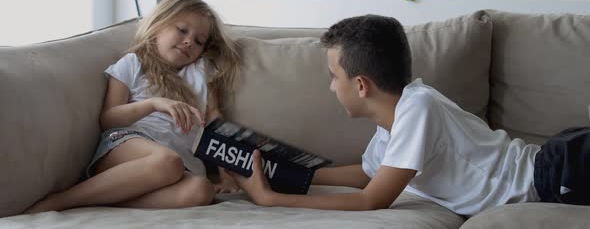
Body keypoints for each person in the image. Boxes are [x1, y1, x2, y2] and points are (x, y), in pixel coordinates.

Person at [229, 14, 590, 216]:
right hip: (559, 167)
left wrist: (272, 199)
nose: (330, 88)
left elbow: (372, 198)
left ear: (361, 85)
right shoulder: (390, 130)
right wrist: (283, 172)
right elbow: (364, 175)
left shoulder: (419, 108)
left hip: (558, 172)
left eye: (333, 77)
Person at [25, 0, 241, 213]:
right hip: (126, 147)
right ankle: (62, 201)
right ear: (158, 24)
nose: (189, 42)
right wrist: (154, 104)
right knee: (167, 162)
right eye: (182, 30)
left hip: (178, 164)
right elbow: (109, 119)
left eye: (199, 41)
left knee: (201, 190)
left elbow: (216, 126)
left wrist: (226, 175)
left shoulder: (201, 74)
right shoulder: (133, 63)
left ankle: (104, 197)